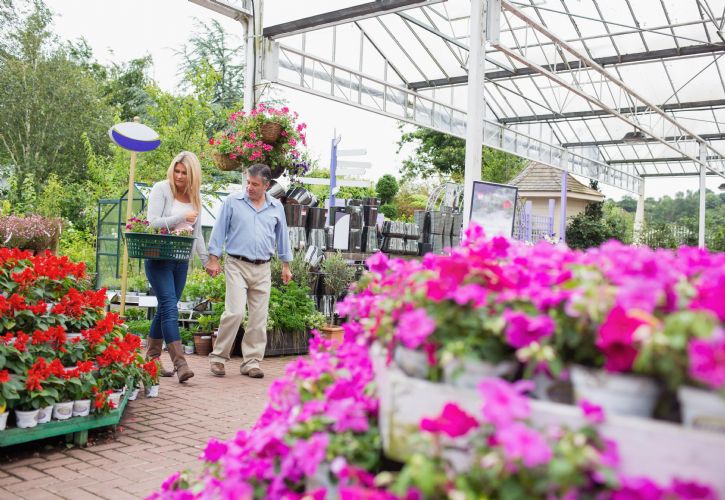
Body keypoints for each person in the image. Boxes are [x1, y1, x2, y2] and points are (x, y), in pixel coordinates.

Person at [205, 163, 292, 378]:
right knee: (234, 312)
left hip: (263, 267)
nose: (249, 187)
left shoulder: (276, 207)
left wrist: (286, 265)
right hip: (237, 264)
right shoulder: (233, 202)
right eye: (248, 182)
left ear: (266, 185)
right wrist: (214, 259)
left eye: (254, 184)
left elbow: (283, 238)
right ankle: (218, 358)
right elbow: (219, 231)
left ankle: (251, 362)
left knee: (258, 318)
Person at [145, 151, 209, 383]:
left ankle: (151, 360)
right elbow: (153, 222)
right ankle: (180, 364)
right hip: (158, 258)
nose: (179, 176)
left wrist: (206, 261)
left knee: (164, 309)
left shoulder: (194, 196)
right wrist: (182, 216)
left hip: (181, 260)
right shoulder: (161, 188)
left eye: (184, 172)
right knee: (170, 309)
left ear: (193, 175)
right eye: (177, 170)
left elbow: (197, 233)